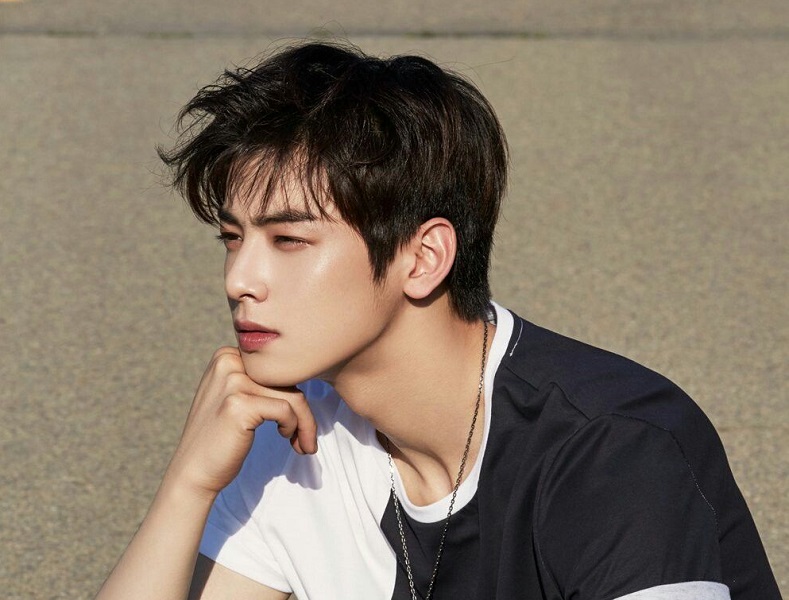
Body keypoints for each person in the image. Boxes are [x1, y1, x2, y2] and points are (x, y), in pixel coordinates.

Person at [96, 41, 780, 600]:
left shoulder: (609, 450)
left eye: (289, 240)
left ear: (423, 258)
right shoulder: (292, 438)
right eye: (232, 238)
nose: (238, 280)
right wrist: (188, 485)